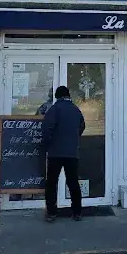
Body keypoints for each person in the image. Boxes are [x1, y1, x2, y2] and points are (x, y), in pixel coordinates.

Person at [41, 85, 85, 222]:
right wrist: (74, 138)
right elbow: (82, 126)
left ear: (57, 96)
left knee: (52, 183)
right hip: (72, 153)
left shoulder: (54, 110)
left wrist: (47, 144)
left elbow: (46, 129)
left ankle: (51, 212)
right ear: (68, 95)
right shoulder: (76, 110)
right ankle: (77, 212)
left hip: (55, 152)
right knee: (73, 182)